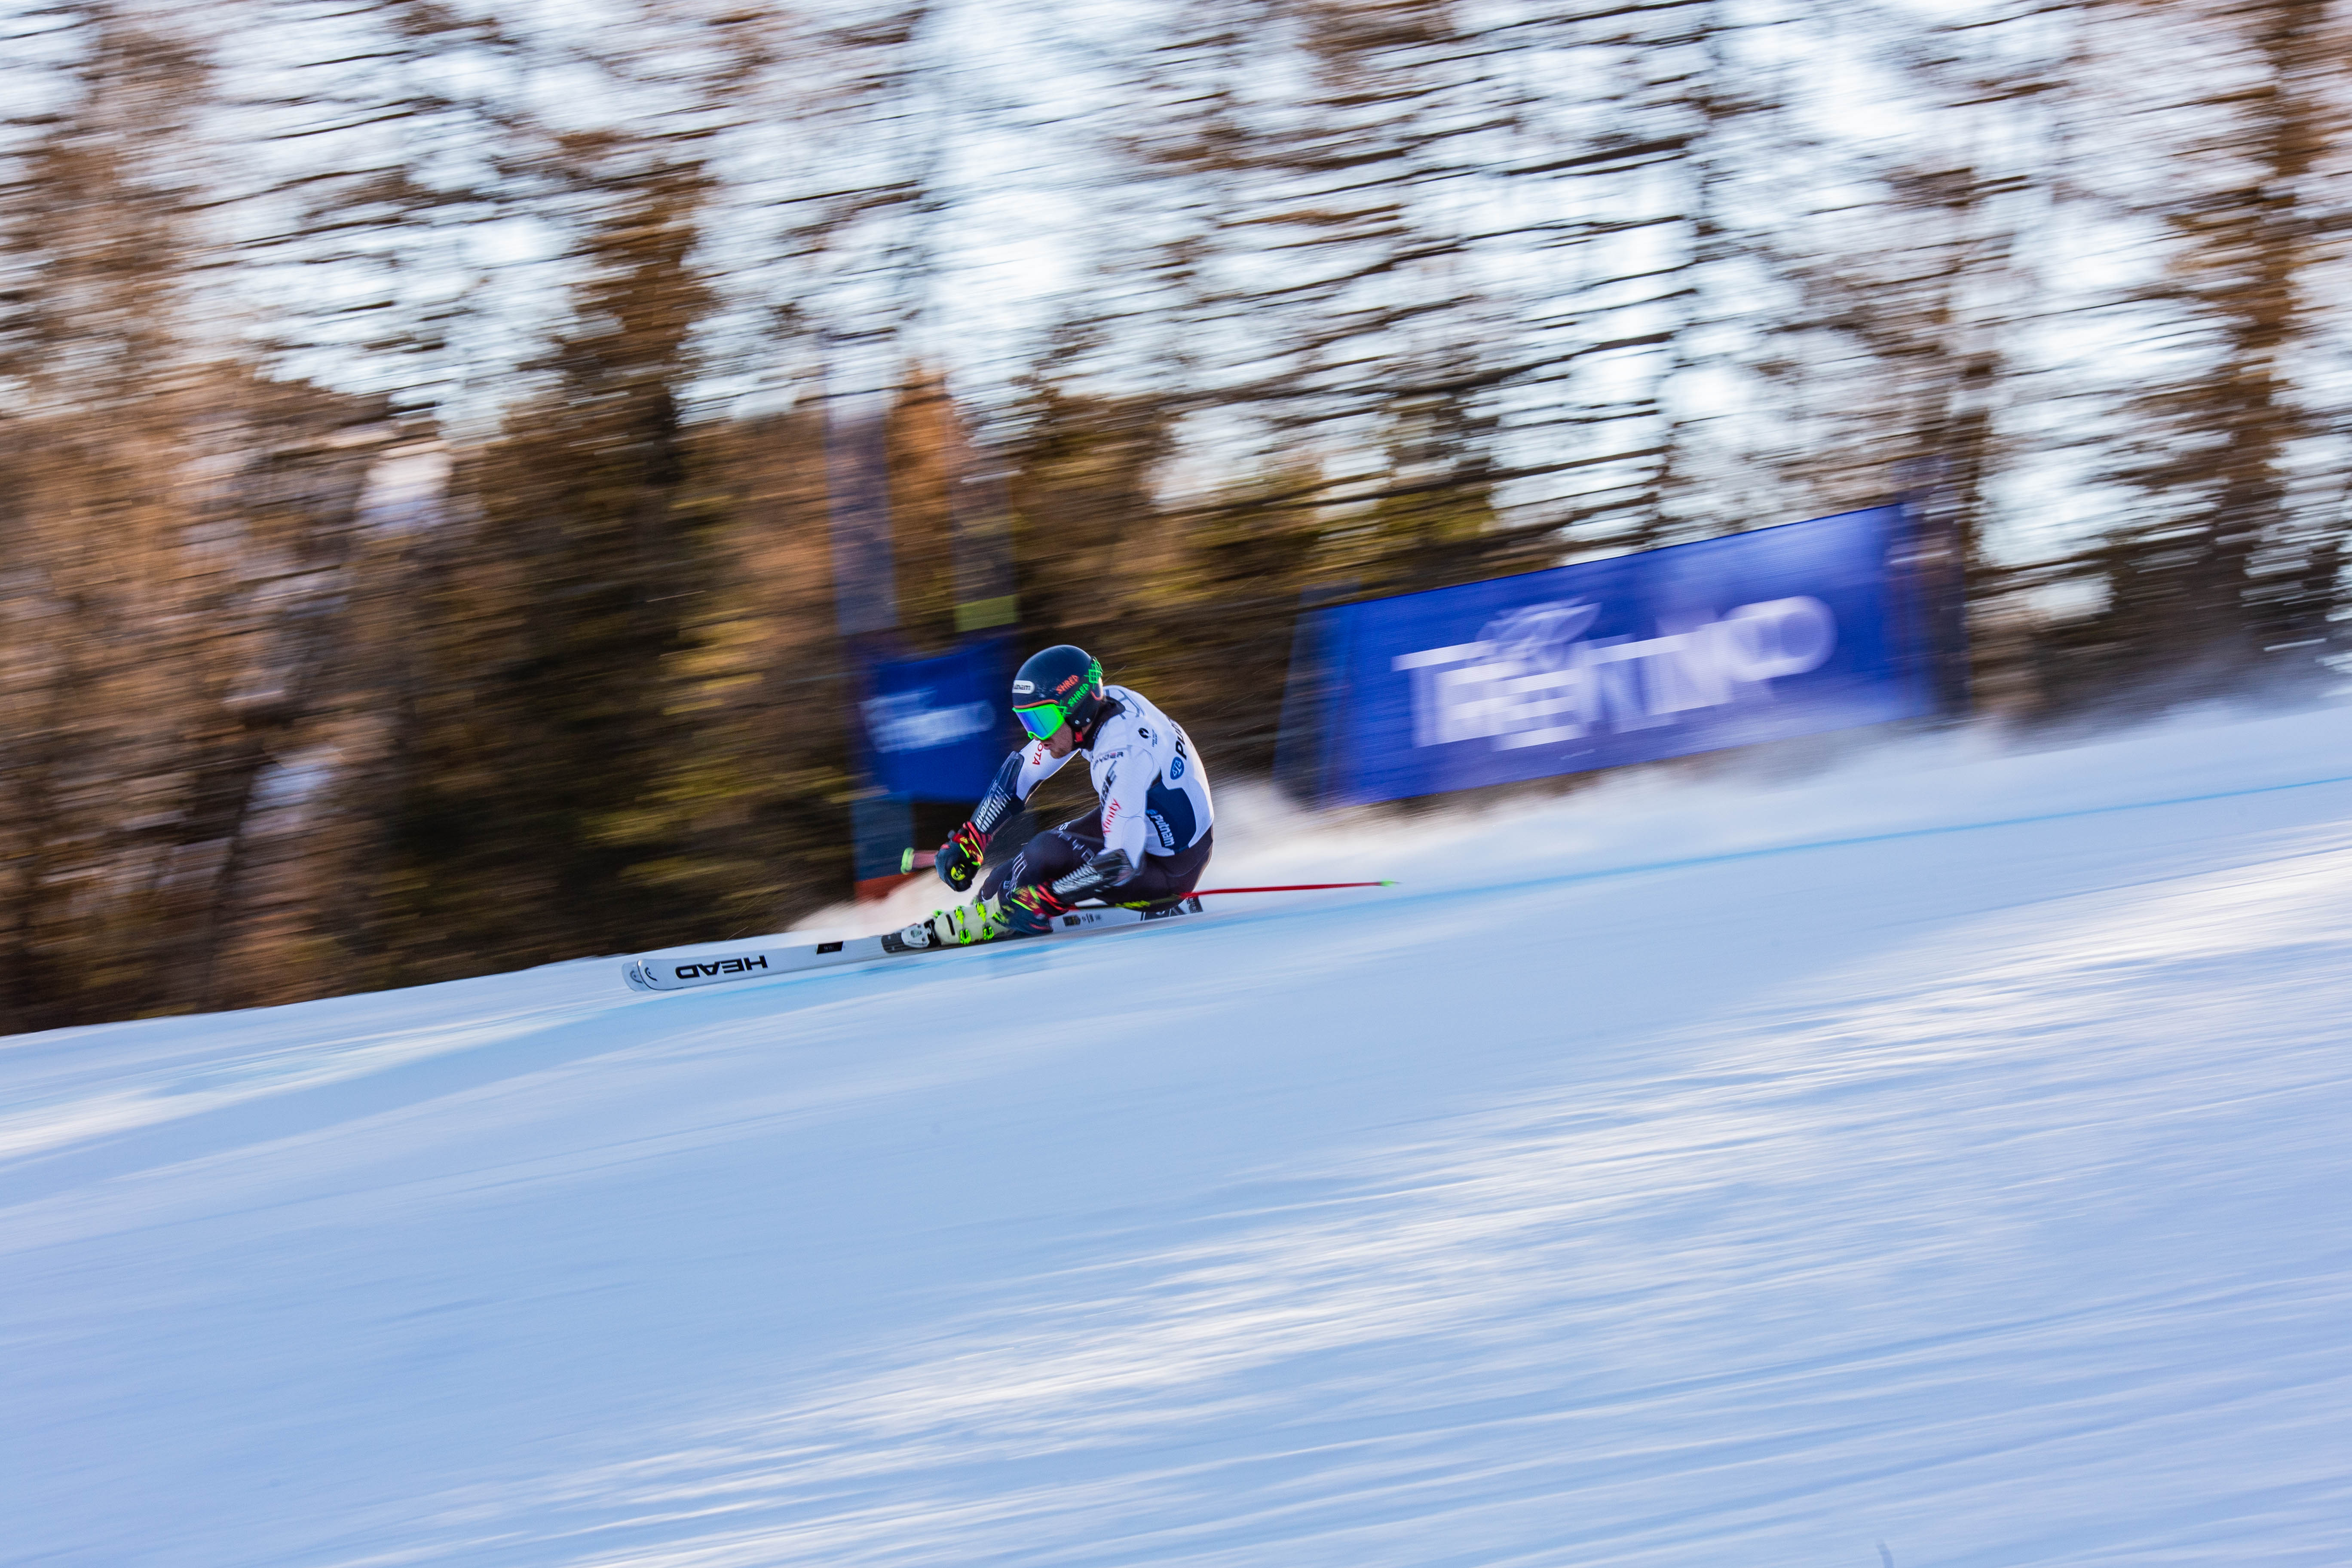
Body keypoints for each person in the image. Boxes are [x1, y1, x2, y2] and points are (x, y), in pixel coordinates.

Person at [927, 643, 1214, 945]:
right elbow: (1022, 773)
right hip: (1144, 826)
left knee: (1043, 853)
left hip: (1172, 869)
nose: (1036, 736)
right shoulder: (1102, 708)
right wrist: (973, 836)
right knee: (1002, 880)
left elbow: (1121, 862)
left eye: (1042, 721)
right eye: (1028, 722)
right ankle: (990, 913)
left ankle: (1003, 919)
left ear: (1076, 710)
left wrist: (1048, 898)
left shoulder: (1123, 754)